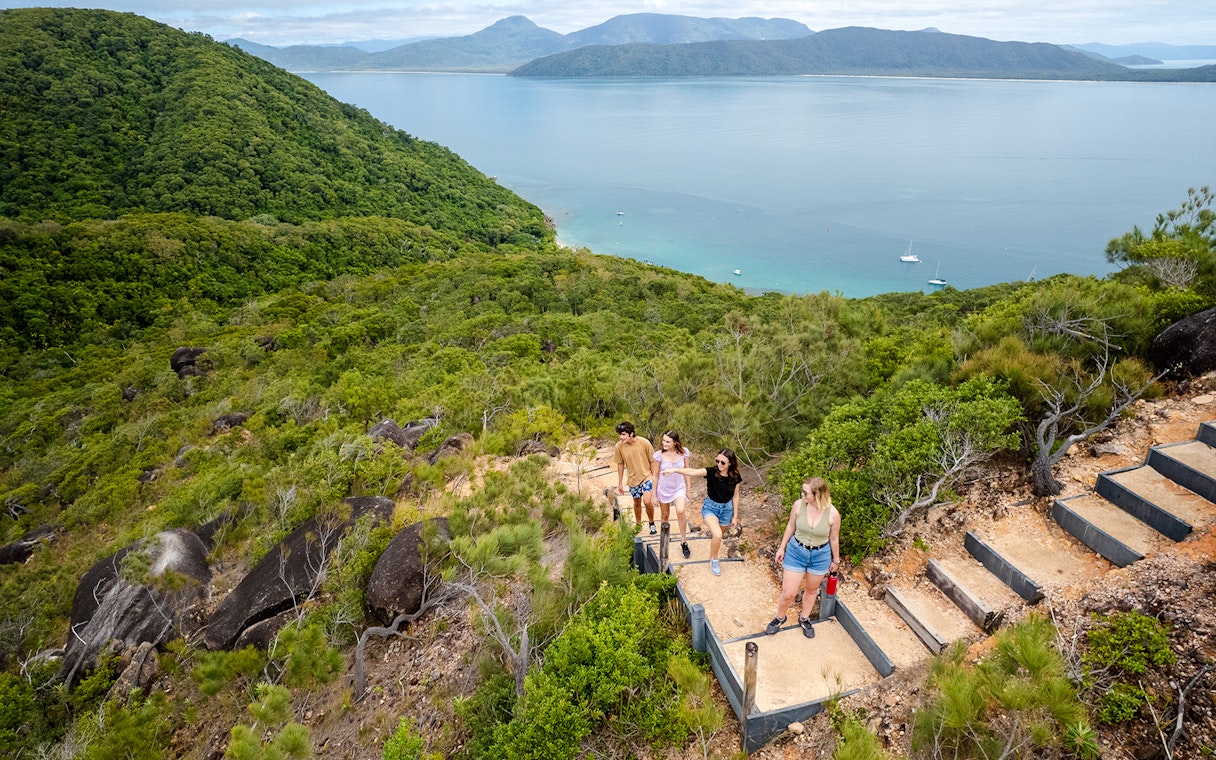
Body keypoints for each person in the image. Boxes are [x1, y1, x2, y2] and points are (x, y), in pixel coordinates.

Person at [766, 477, 840, 639]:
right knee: (789, 592)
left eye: (806, 493)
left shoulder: (833, 514)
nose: (802, 495)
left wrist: (836, 560)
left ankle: (804, 618)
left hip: (820, 555)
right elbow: (791, 526)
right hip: (796, 551)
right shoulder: (799, 505)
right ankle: (780, 617)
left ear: (817, 494)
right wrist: (781, 547)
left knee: (811, 590)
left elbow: (834, 538)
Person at [672, 448, 742, 575]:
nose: (719, 464)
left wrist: (735, 516)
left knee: (719, 535)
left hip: (726, 509)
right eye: (717, 461)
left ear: (730, 463)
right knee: (717, 535)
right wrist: (675, 470)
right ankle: (714, 560)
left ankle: (712, 554)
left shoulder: (735, 476)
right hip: (710, 507)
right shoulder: (711, 472)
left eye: (723, 463)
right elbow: (692, 472)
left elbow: (736, 496)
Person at [651, 430, 693, 558]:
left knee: (680, 511)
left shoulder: (684, 453)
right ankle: (665, 537)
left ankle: (684, 542)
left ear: (675, 442)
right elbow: (655, 475)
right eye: (663, 441)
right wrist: (654, 494)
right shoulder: (659, 455)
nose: (664, 443)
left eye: (667, 441)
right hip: (664, 488)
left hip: (679, 487)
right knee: (665, 515)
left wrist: (688, 488)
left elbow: (687, 471)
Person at [613, 421, 656, 533]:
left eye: (623, 434)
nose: (621, 437)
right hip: (632, 479)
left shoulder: (644, 442)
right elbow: (620, 464)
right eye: (620, 434)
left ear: (631, 434)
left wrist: (654, 477)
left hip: (647, 476)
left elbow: (652, 461)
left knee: (647, 501)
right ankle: (638, 523)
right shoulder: (619, 447)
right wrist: (620, 483)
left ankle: (651, 523)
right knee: (637, 502)